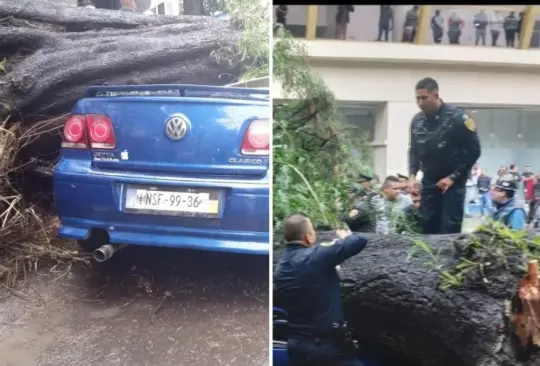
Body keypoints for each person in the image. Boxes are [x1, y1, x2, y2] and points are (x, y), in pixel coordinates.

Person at [274, 213, 368, 366]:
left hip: (298, 348)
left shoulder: (281, 267)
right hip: (326, 349)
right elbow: (359, 241)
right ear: (308, 237)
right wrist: (344, 237)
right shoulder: (315, 257)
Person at [408, 77, 481, 234]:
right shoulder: (417, 121)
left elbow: (474, 150)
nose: (420, 103)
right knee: (427, 225)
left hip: (452, 182)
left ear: (436, 95)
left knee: (449, 227)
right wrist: (412, 175)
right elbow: (413, 150)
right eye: (417, 98)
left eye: (424, 98)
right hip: (429, 180)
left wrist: (453, 177)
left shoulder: (458, 118)